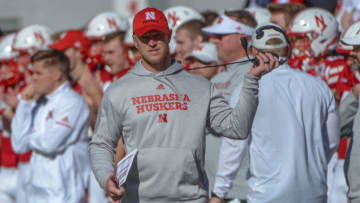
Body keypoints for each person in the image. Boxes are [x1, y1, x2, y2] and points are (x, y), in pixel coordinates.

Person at [89, 7, 279, 203]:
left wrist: (252, 81)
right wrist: (105, 176)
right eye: (145, 37)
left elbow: (237, 128)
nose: (152, 42)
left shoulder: (200, 86)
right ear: (135, 41)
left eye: (157, 35)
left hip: (191, 198)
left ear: (169, 35)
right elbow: (101, 144)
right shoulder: (119, 90)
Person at [213, 23, 339, 203]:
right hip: (314, 194)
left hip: (266, 196)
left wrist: (219, 193)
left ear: (255, 53)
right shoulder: (319, 86)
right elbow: (331, 141)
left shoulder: (247, 89)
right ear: (287, 50)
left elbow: (234, 147)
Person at [10, 50, 90, 202]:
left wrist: (29, 137)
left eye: (38, 73)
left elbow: (49, 144)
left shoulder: (72, 102)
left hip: (64, 194)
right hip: (36, 191)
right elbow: (19, 145)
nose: (32, 79)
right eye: (32, 73)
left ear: (56, 75)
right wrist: (25, 103)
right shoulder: (38, 103)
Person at [202, 10, 257, 202]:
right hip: (218, 192)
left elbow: (235, 128)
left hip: (241, 193)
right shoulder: (219, 77)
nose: (213, 40)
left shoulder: (255, 76)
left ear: (243, 36)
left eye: (220, 35)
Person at [50, 29, 103, 129]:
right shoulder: (69, 84)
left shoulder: (98, 77)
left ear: (79, 52)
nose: (58, 57)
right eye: (57, 52)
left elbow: (113, 123)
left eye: (63, 51)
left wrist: (96, 96)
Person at [340, 20, 360, 203]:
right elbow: (339, 128)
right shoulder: (357, 90)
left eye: (357, 48)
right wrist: (353, 98)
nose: (352, 54)